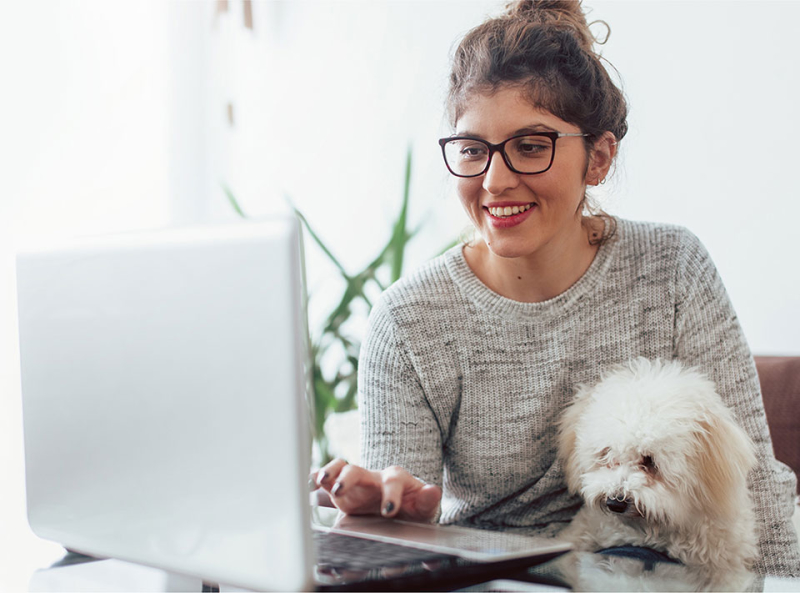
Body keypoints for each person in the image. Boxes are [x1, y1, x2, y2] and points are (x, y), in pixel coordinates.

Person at [311, 0, 800, 577]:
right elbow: (397, 543)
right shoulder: (410, 320)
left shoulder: (672, 269)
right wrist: (391, 518)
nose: (494, 181)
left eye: (531, 146)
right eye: (472, 149)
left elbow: (755, 485)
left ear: (599, 157)